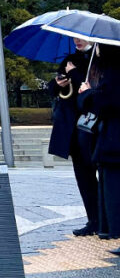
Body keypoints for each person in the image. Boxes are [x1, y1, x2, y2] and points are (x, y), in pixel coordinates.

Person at [48, 38, 97, 235]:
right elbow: (53, 88)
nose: (77, 40)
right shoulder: (70, 59)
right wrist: (58, 83)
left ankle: (108, 219)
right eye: (75, 37)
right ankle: (93, 220)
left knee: (101, 174)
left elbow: (93, 90)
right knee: (83, 176)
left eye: (81, 37)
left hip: (94, 124)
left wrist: (74, 74)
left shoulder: (100, 60)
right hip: (73, 126)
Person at [78, 43, 120, 248]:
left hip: (114, 140)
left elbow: (108, 102)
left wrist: (88, 93)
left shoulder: (113, 72)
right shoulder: (110, 71)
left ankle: (113, 229)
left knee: (114, 189)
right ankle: (107, 227)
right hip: (112, 140)